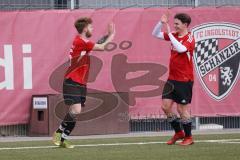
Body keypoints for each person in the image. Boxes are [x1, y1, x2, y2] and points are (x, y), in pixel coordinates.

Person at [52, 17, 115, 148]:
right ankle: (58, 133)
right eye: (91, 27)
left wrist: (106, 35)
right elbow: (102, 47)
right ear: (85, 28)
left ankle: (63, 139)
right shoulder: (81, 41)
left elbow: (95, 44)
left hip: (81, 82)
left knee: (75, 111)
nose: (92, 29)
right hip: (72, 80)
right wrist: (112, 35)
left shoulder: (82, 42)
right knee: (76, 109)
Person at [152, 13, 195, 146]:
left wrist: (170, 34)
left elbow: (181, 49)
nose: (175, 26)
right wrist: (161, 22)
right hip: (172, 79)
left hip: (184, 80)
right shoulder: (175, 35)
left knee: (182, 110)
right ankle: (178, 133)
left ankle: (188, 137)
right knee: (165, 107)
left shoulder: (190, 38)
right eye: (174, 23)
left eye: (177, 24)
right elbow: (155, 34)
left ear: (185, 25)